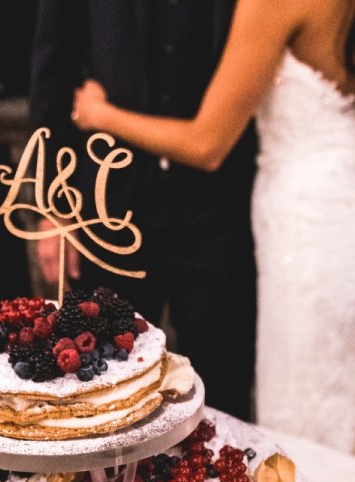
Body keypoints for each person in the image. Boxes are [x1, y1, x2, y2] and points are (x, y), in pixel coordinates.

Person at [72, 0, 355, 452]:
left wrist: (98, 114)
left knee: (307, 397)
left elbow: (207, 144)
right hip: (342, 205)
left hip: (302, 219)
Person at [30, 0, 258, 421]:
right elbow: (53, 75)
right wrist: (53, 208)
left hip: (221, 206)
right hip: (107, 206)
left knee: (224, 389)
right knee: (104, 390)